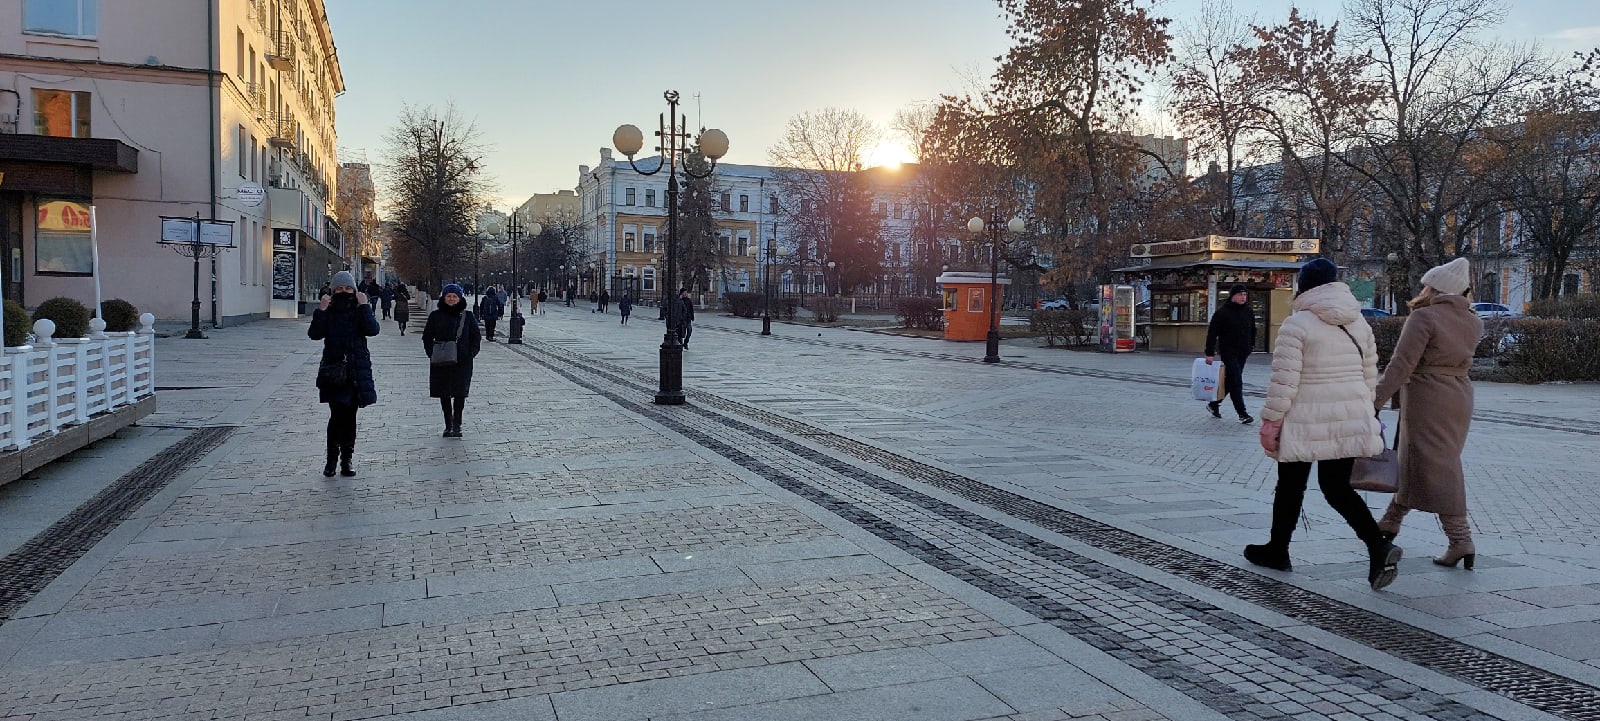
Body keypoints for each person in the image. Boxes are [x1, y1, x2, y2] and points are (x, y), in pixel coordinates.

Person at [1248, 257, 1402, 591]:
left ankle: (1278, 550)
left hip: (1305, 418)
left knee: (1290, 485)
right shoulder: (1359, 322)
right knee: (1337, 488)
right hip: (1347, 415)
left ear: (1305, 285)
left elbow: (1284, 381)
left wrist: (1271, 422)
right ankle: (1378, 546)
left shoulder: (1297, 324)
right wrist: (1366, 414)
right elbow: (1368, 376)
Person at [1373, 257, 1484, 569]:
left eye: (1428, 283)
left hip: (1428, 396)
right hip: (1459, 394)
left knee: (1438, 465)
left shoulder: (1424, 317)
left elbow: (1401, 364)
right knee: (1418, 458)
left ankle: (1460, 538)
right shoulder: (1473, 320)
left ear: (1436, 287)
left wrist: (1376, 400)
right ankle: (1390, 522)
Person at [308, 270, 379, 477]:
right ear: (332, 291)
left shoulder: (359, 310)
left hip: (356, 372)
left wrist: (365, 306)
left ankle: (346, 460)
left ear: (354, 290)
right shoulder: (329, 311)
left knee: (350, 417)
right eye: (339, 288)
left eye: (348, 288)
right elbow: (314, 334)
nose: (344, 292)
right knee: (337, 416)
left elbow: (373, 330)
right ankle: (331, 460)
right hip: (335, 372)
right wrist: (320, 310)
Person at [423, 284, 481, 438]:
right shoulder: (435, 316)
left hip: (462, 362)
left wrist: (471, 353)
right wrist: (432, 353)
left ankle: (457, 425)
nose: (451, 299)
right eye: (449, 296)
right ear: (444, 297)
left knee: (460, 393)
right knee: (444, 393)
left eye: (455, 296)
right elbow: (427, 336)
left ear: (460, 298)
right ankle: (448, 425)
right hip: (441, 361)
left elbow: (476, 337)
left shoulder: (467, 316)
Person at [1205, 284, 1257, 424]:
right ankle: (1242, 413)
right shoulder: (1222, 312)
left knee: (1230, 381)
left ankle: (1213, 404)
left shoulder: (1248, 311)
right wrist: (1209, 353)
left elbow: (1253, 329)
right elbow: (1212, 333)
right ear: (1232, 296)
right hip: (1228, 352)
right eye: (1240, 294)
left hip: (1243, 352)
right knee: (1237, 381)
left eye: (1245, 295)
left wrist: (1251, 345)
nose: (1243, 297)